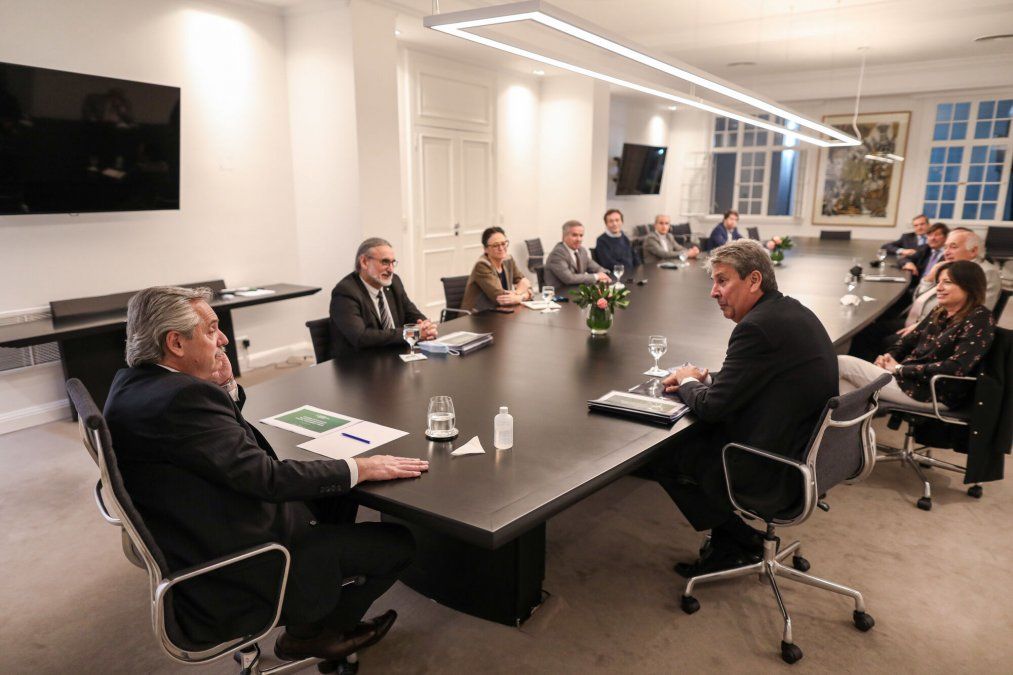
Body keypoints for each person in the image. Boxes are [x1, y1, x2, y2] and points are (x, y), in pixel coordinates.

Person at [104, 286, 430, 662]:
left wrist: (225, 389)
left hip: (199, 524)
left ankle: (315, 602)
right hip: (244, 556)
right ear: (176, 343)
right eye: (211, 330)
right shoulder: (181, 399)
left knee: (339, 491)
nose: (223, 339)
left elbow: (218, 445)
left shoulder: (132, 385)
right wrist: (362, 465)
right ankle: (313, 636)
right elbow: (267, 477)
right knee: (398, 543)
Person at [651, 240, 837, 576]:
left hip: (773, 466)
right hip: (804, 451)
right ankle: (737, 539)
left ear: (754, 280)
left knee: (665, 454)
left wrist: (688, 380)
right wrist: (709, 378)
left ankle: (736, 541)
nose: (713, 292)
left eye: (722, 281)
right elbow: (759, 377)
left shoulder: (756, 327)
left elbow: (712, 408)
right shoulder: (789, 311)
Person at [839, 261, 996, 410]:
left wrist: (899, 369)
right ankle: (849, 427)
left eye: (947, 282)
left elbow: (956, 368)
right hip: (909, 380)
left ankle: (847, 425)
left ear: (969, 286)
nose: (939, 288)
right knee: (846, 384)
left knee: (842, 363)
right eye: (938, 282)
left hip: (932, 391)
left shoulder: (980, 319)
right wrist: (888, 357)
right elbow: (906, 341)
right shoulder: (940, 311)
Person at [849, 227, 1001, 361]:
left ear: (973, 251)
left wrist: (923, 326)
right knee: (868, 328)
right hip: (922, 320)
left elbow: (976, 311)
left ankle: (871, 374)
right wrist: (930, 277)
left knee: (879, 338)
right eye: (946, 247)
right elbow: (919, 295)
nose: (946, 252)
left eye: (953, 247)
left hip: (938, 330)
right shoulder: (951, 268)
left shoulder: (986, 272)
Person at [329, 238, 438, 358]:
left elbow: (411, 313)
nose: (391, 269)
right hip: (360, 362)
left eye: (392, 263)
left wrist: (426, 327)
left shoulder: (394, 282)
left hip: (393, 356)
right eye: (385, 262)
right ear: (364, 262)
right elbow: (362, 337)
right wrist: (412, 333)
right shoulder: (345, 292)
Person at [462, 227, 534, 312]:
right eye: (495, 245)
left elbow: (527, 285)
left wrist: (518, 294)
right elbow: (500, 298)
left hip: (500, 312)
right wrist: (523, 295)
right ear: (485, 249)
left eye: (503, 243)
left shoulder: (508, 260)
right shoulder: (482, 265)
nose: (501, 248)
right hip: (478, 315)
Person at [544, 220, 612, 288]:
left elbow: (596, 268)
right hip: (560, 292)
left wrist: (605, 275)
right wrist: (597, 276)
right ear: (564, 236)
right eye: (574, 235)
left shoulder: (581, 251)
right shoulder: (557, 254)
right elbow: (569, 278)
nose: (579, 239)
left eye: (581, 235)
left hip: (577, 290)